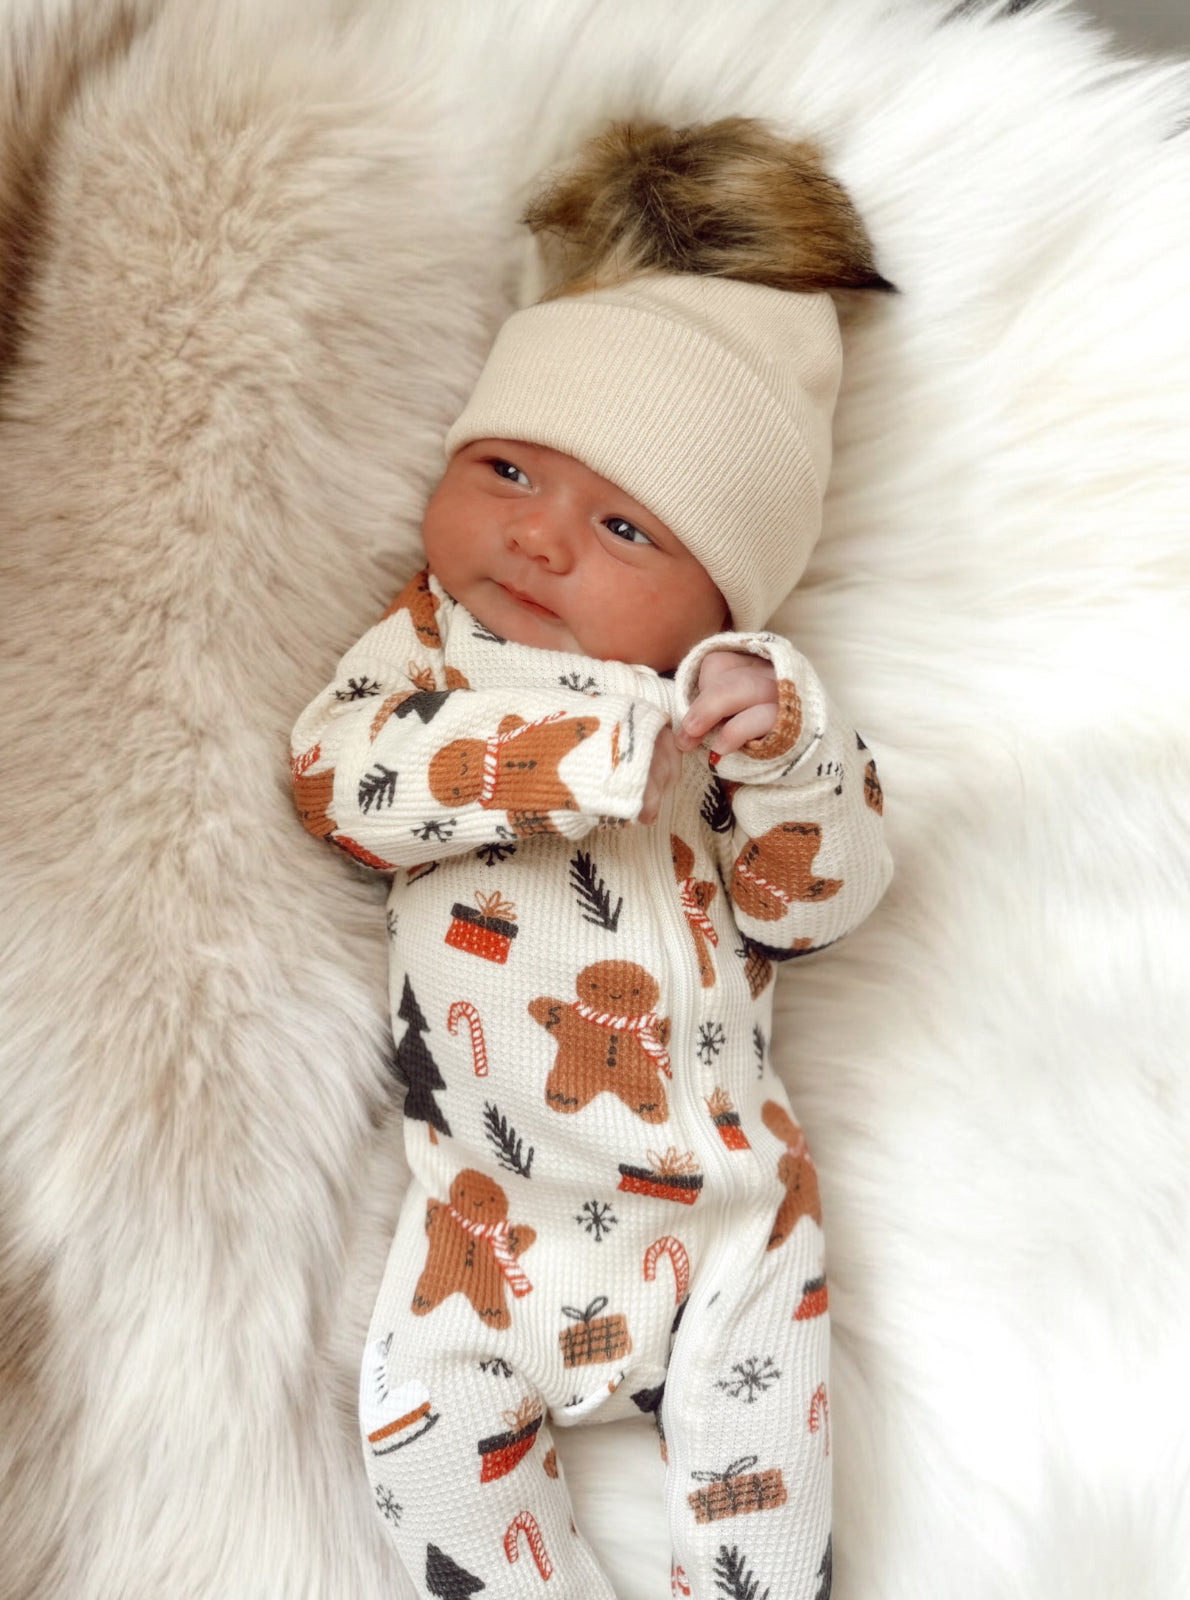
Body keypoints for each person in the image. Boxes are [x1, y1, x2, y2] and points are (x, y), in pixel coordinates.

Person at [291, 117, 893, 1600]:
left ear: (715, 592)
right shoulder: (427, 652)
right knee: (420, 1447)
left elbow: (811, 908)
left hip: (727, 1216)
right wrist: (576, 757)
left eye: (622, 522)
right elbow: (338, 781)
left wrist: (778, 756)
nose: (538, 538)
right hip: (485, 1237)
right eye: (504, 467)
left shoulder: (741, 698)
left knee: (768, 1521)